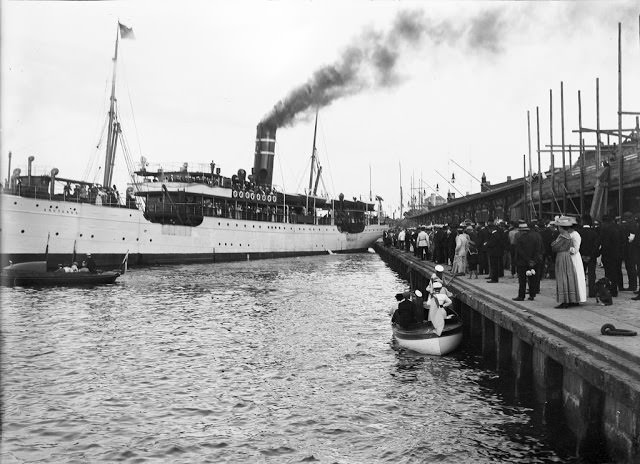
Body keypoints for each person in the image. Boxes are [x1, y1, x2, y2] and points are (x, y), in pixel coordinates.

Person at [551, 216, 586, 308]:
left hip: (571, 257)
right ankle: (573, 299)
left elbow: (576, 248)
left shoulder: (570, 235)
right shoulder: (568, 235)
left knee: (567, 277)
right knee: (571, 278)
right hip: (569, 257)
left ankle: (568, 299)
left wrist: (568, 250)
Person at [513, 222, 542, 301]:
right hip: (534, 262)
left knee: (522, 280)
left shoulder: (520, 239)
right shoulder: (537, 236)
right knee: (532, 278)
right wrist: (533, 260)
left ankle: (521, 296)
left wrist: (528, 260)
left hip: (522, 262)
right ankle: (532, 295)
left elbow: (520, 251)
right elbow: (538, 250)